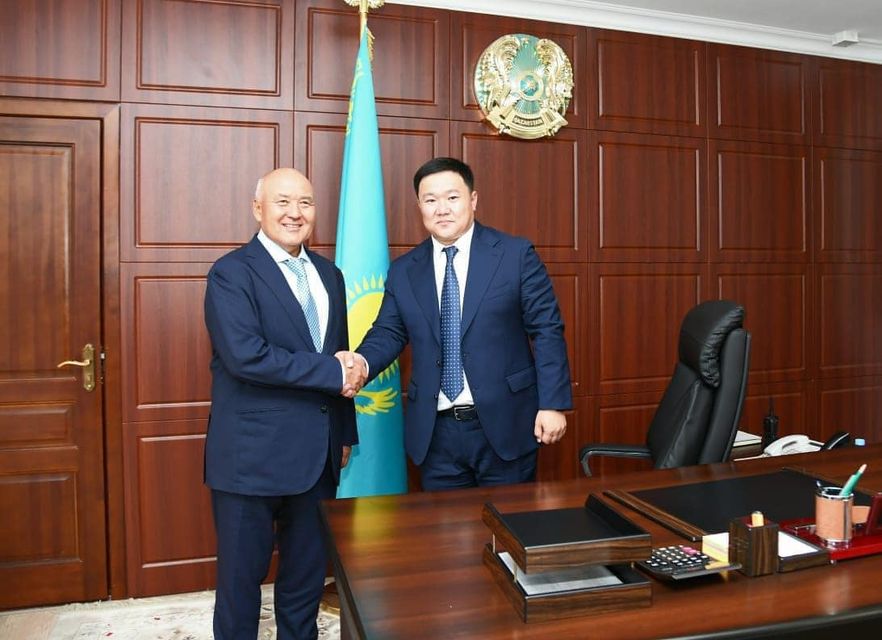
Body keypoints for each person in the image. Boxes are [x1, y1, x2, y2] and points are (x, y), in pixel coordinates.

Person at [343, 157, 572, 490]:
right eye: (430, 200)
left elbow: (547, 329)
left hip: (506, 423)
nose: (442, 209)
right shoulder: (405, 270)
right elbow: (388, 332)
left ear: (473, 200)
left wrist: (552, 403)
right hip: (436, 434)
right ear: (419, 206)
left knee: (507, 521)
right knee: (445, 524)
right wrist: (360, 364)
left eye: (452, 197)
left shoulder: (515, 255)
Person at [203, 168, 362, 640]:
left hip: (319, 457)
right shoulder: (231, 273)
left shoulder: (330, 275)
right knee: (240, 584)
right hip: (250, 459)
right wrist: (333, 372)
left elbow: (339, 350)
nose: (296, 213)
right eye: (283, 202)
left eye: (306, 203)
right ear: (258, 209)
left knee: (305, 579)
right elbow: (246, 356)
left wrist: (344, 432)